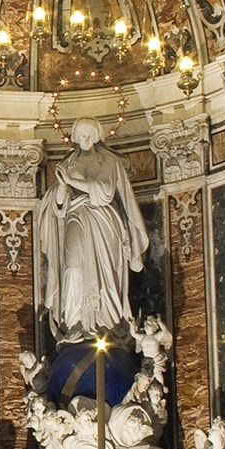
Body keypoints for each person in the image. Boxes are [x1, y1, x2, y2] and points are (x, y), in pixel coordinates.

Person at [34, 120, 148, 342]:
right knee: (73, 267)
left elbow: (105, 191)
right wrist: (62, 188)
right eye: (82, 134)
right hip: (75, 216)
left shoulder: (109, 162)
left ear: (97, 136)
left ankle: (106, 323)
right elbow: (57, 206)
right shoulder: (67, 165)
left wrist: (71, 181)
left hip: (104, 221)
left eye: (90, 134)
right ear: (75, 136)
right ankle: (75, 321)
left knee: (106, 271)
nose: (86, 138)